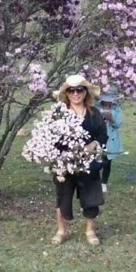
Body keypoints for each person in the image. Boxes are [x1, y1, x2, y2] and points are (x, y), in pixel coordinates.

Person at [51, 75, 108, 246]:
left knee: (91, 197)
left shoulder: (94, 113)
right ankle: (61, 230)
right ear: (66, 93)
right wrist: (57, 161)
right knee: (63, 196)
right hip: (65, 163)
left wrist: (94, 144)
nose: (76, 94)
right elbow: (51, 139)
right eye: (71, 90)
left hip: (89, 163)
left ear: (85, 92)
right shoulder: (59, 113)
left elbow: (103, 135)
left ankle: (90, 230)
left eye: (79, 90)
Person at [96, 88, 124, 193]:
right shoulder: (96, 107)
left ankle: (104, 183)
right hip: (99, 137)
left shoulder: (116, 109)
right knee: (97, 160)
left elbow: (118, 124)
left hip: (111, 138)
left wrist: (111, 119)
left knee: (107, 162)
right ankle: (95, 181)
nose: (107, 102)